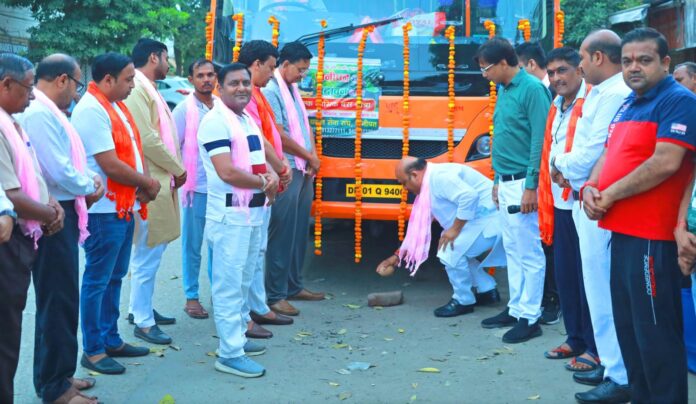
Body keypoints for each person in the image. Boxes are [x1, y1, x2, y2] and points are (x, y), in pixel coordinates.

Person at [583, 28, 696, 403]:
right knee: (630, 331)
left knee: (656, 336)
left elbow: (666, 162)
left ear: (665, 63)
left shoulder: (678, 100)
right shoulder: (630, 102)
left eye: (644, 60)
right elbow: (608, 151)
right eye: (628, 60)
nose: (634, 67)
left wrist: (609, 194)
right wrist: (590, 188)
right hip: (622, 232)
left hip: (653, 238)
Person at [16, 54, 104, 403]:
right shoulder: (39, 112)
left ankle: (59, 375)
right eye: (78, 83)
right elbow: (58, 170)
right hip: (50, 214)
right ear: (63, 80)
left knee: (62, 299)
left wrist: (86, 182)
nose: (77, 91)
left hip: (60, 209)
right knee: (58, 300)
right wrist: (90, 182)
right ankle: (55, 387)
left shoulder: (49, 111)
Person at [551, 30, 631, 403]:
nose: (579, 66)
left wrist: (558, 162)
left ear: (597, 57)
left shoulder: (614, 94)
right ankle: (613, 365)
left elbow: (589, 154)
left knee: (603, 292)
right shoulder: (601, 93)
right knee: (597, 290)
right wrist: (566, 164)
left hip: (602, 202)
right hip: (588, 197)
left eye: (580, 58)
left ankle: (619, 373)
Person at [73, 52, 159, 375]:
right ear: (107, 80)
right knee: (97, 280)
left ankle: (111, 338)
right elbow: (109, 164)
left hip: (123, 206)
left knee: (115, 277)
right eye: (128, 79)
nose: (133, 85)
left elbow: (135, 151)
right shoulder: (91, 110)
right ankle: (93, 349)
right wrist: (146, 182)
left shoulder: (116, 107)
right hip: (104, 210)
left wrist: (144, 184)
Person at [198, 62, 279, 378]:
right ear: (220, 86)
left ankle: (237, 340)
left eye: (246, 82)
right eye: (234, 83)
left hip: (252, 213)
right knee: (229, 284)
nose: (242, 88)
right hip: (230, 216)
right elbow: (227, 171)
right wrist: (264, 183)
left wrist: (271, 174)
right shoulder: (215, 122)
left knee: (244, 281)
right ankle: (229, 353)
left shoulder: (244, 118)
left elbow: (258, 161)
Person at [474, 37, 550, 343]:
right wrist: (496, 179)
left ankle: (531, 317)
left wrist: (531, 185)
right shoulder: (504, 90)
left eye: (486, 68)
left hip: (524, 184)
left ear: (504, 63)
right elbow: (506, 139)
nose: (484, 74)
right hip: (506, 181)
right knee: (514, 250)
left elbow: (539, 140)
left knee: (529, 251)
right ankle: (517, 308)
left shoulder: (532, 89)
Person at [0, 53, 66, 403]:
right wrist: (48, 213)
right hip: (7, 242)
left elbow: (33, 176)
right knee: (5, 337)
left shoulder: (13, 121)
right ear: (6, 84)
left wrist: (50, 204)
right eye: (27, 87)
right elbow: (10, 193)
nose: (31, 95)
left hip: (23, 234)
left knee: (10, 333)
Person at [376, 157, 504, 316]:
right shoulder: (428, 185)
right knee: (454, 249)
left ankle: (463, 301)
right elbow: (418, 231)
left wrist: (455, 229)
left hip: (491, 218)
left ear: (415, 175)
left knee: (449, 250)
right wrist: (396, 257)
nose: (405, 188)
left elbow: (468, 196)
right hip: (480, 220)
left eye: (404, 183)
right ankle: (487, 290)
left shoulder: (439, 177)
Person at [537, 47, 598, 372]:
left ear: (580, 70)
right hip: (559, 203)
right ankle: (575, 337)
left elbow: (594, 151)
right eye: (553, 72)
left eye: (563, 70)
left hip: (584, 203)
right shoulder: (556, 105)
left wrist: (561, 166)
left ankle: (594, 346)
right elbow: (549, 148)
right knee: (567, 277)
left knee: (589, 279)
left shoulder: (592, 102)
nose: (557, 77)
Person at [124, 38, 187, 345]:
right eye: (166, 58)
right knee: (148, 251)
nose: (169, 65)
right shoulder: (137, 85)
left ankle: (141, 308)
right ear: (153, 57)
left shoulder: (146, 85)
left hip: (160, 179)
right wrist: (177, 167)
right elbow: (146, 138)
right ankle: (143, 321)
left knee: (150, 250)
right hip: (152, 181)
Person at [263, 41, 324, 317]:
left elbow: (303, 127)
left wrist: (312, 156)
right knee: (282, 232)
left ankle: (293, 285)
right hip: (285, 169)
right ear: (284, 65)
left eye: (305, 71)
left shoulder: (293, 90)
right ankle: (275, 295)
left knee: (299, 232)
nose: (303, 75)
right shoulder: (272, 90)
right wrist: (308, 157)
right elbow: (279, 135)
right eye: (300, 70)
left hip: (301, 167)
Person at [239, 40, 295, 336]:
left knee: (258, 248)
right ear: (256, 64)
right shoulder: (246, 95)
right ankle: (247, 314)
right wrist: (280, 168)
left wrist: (280, 166)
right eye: (271, 67)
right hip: (255, 179)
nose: (273, 74)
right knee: (248, 253)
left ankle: (258, 308)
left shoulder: (257, 93)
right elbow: (258, 140)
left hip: (267, 176)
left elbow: (270, 135)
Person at [172, 58, 217, 320]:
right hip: (195, 188)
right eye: (200, 75)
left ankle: (219, 296)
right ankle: (191, 297)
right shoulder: (183, 110)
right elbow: (173, 146)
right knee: (193, 245)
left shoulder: (222, 107)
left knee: (218, 246)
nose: (206, 79)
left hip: (220, 187)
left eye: (210, 75)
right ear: (191, 79)